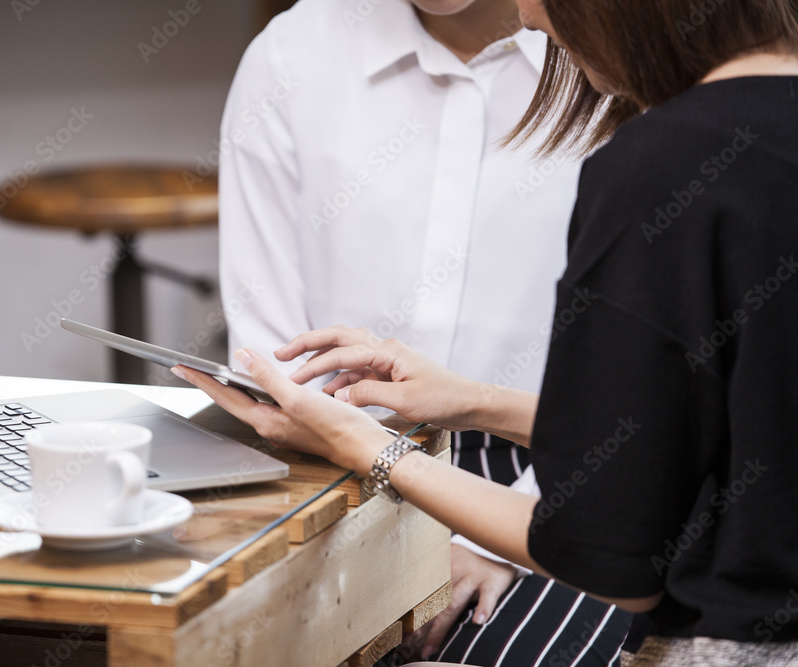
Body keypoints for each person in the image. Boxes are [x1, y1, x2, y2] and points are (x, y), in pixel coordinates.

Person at [179, 0, 798, 664]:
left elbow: (616, 546)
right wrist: (471, 401)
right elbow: (710, 428)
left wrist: (384, 454)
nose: (532, 15)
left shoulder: (656, 154)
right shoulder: (292, 52)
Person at [216, 0, 633, 662]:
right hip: (333, 468)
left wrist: (496, 539)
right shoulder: (292, 55)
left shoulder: (617, 64)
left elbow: (645, 385)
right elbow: (269, 342)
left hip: (553, 471)